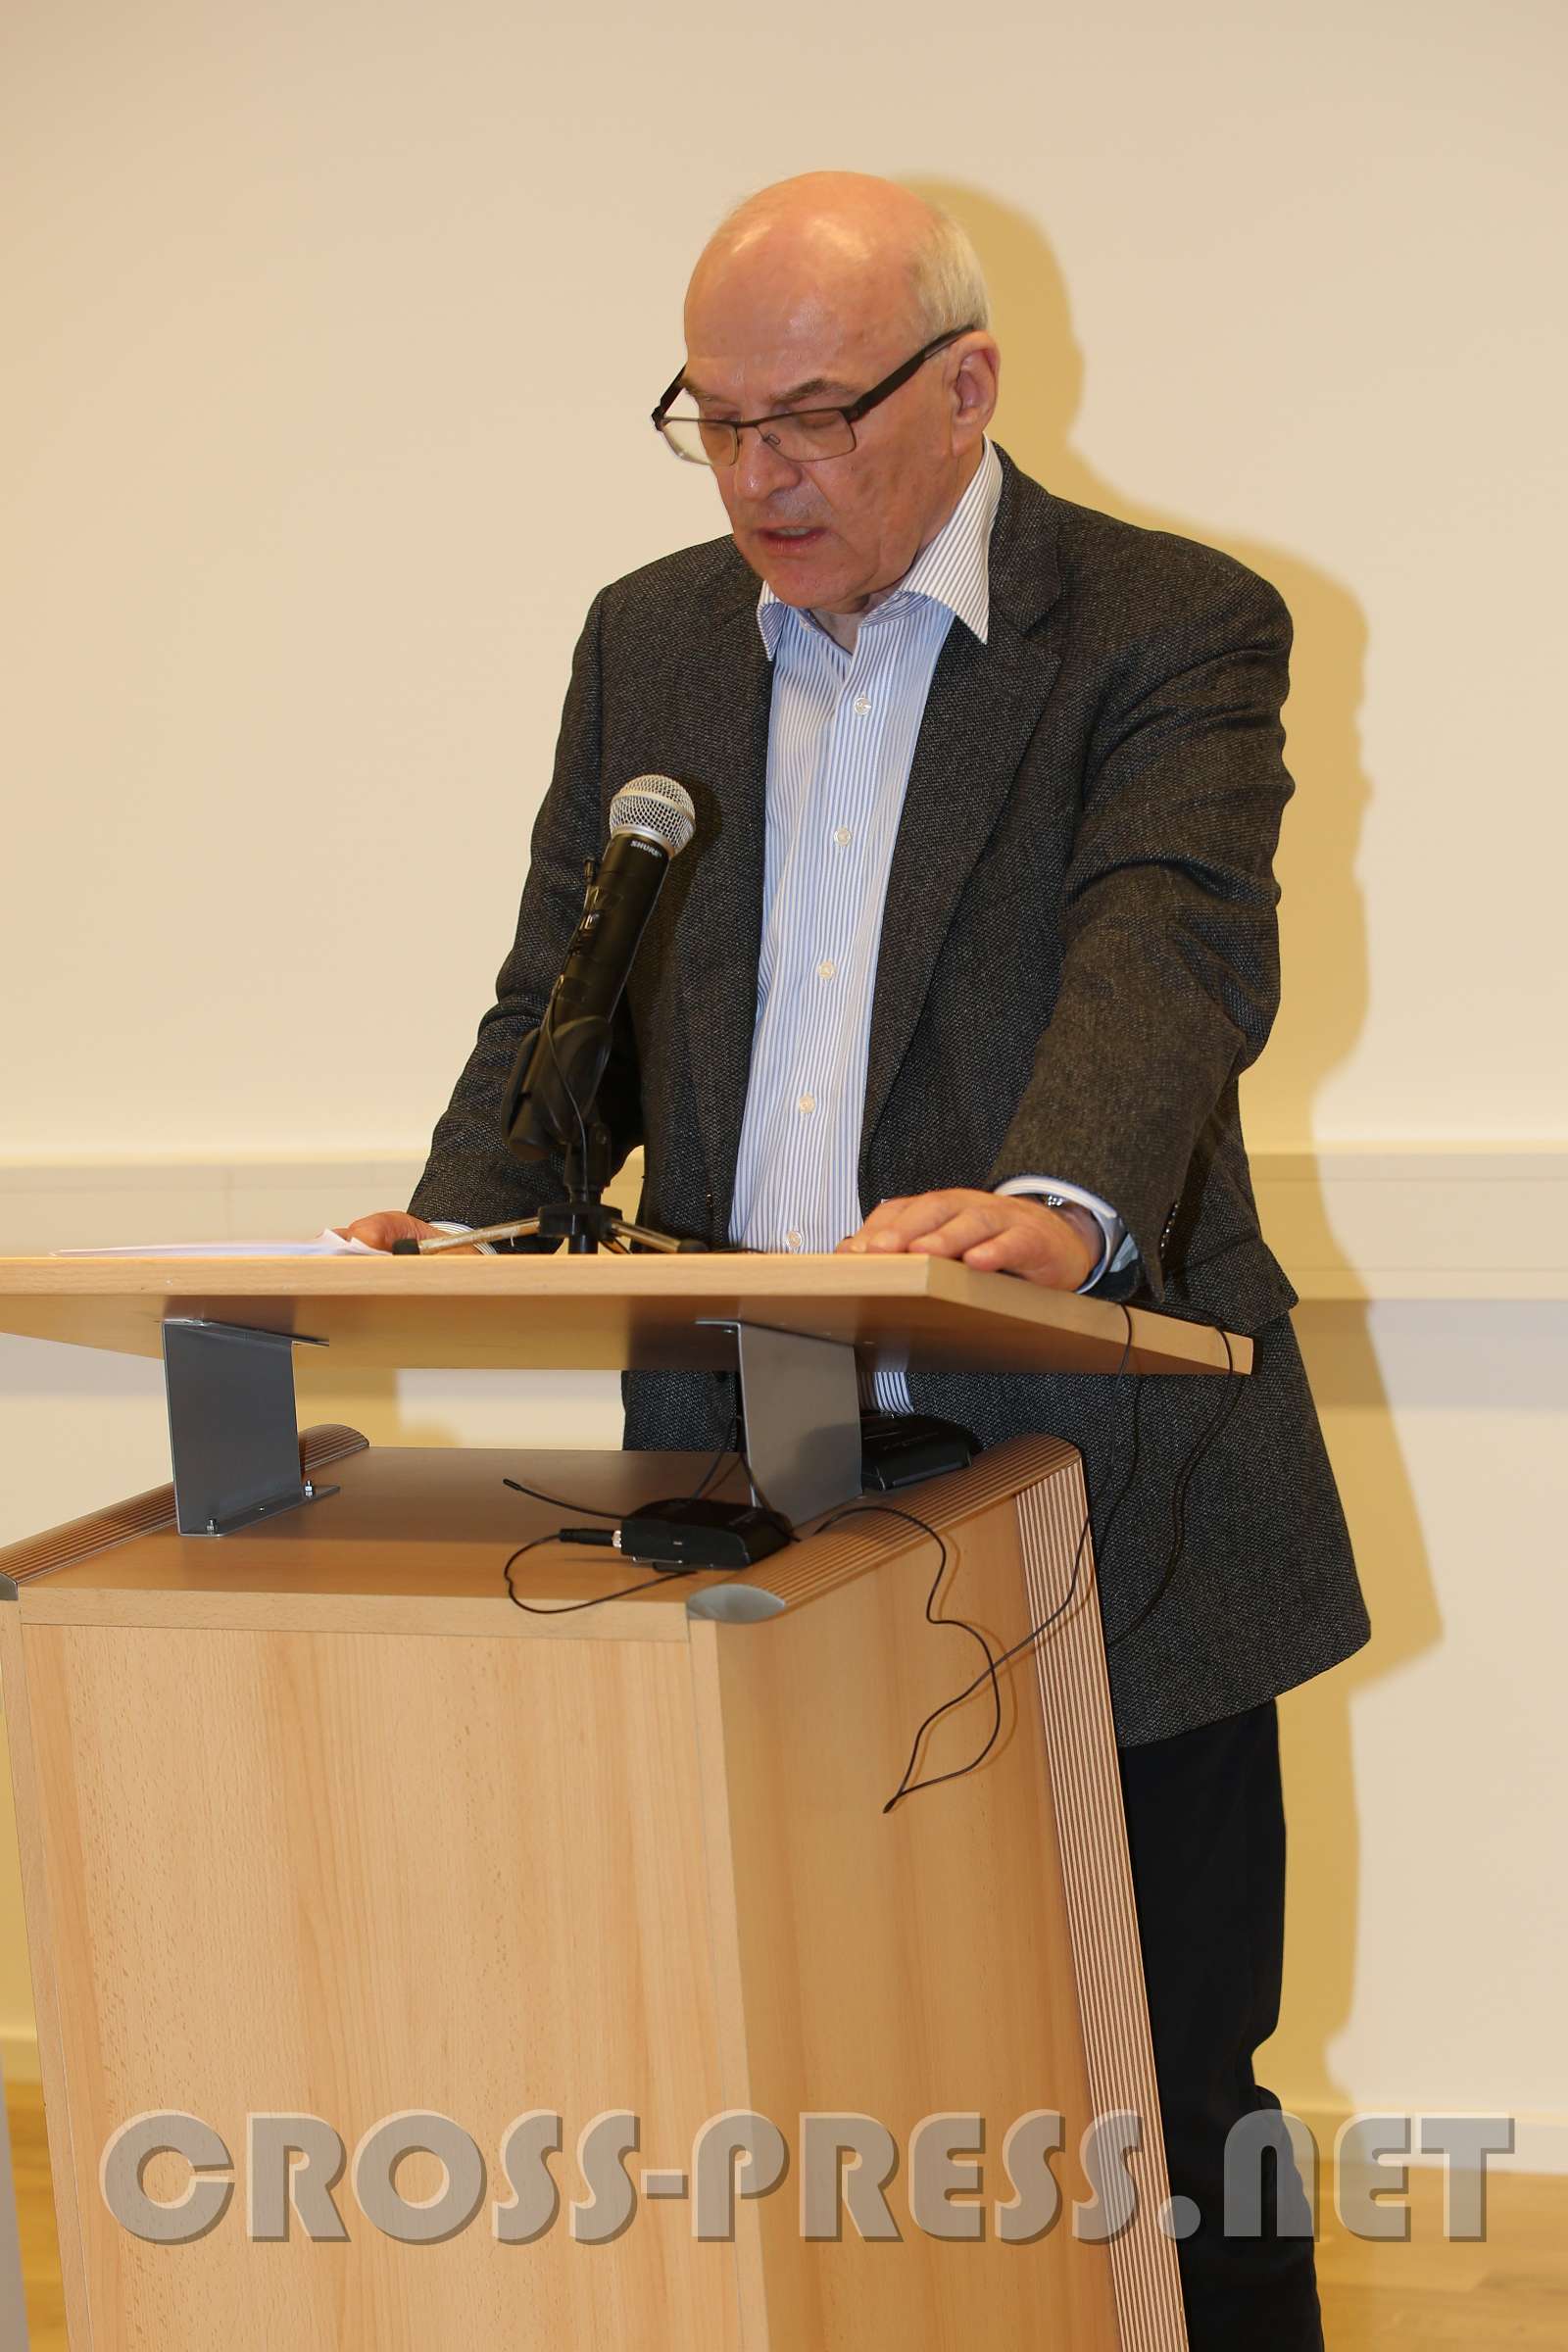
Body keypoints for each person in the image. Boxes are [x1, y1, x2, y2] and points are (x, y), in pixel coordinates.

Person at [345, 172, 1369, 2347]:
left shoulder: (1165, 624)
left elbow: (1170, 937)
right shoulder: (647, 640)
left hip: (1095, 1479)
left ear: (964, 386)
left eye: (808, 417)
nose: (756, 476)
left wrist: (1060, 1195)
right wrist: (470, 1212)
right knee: (801, 2079)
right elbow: (570, 968)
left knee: (1160, 2106)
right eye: (713, 422)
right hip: (742, 1488)